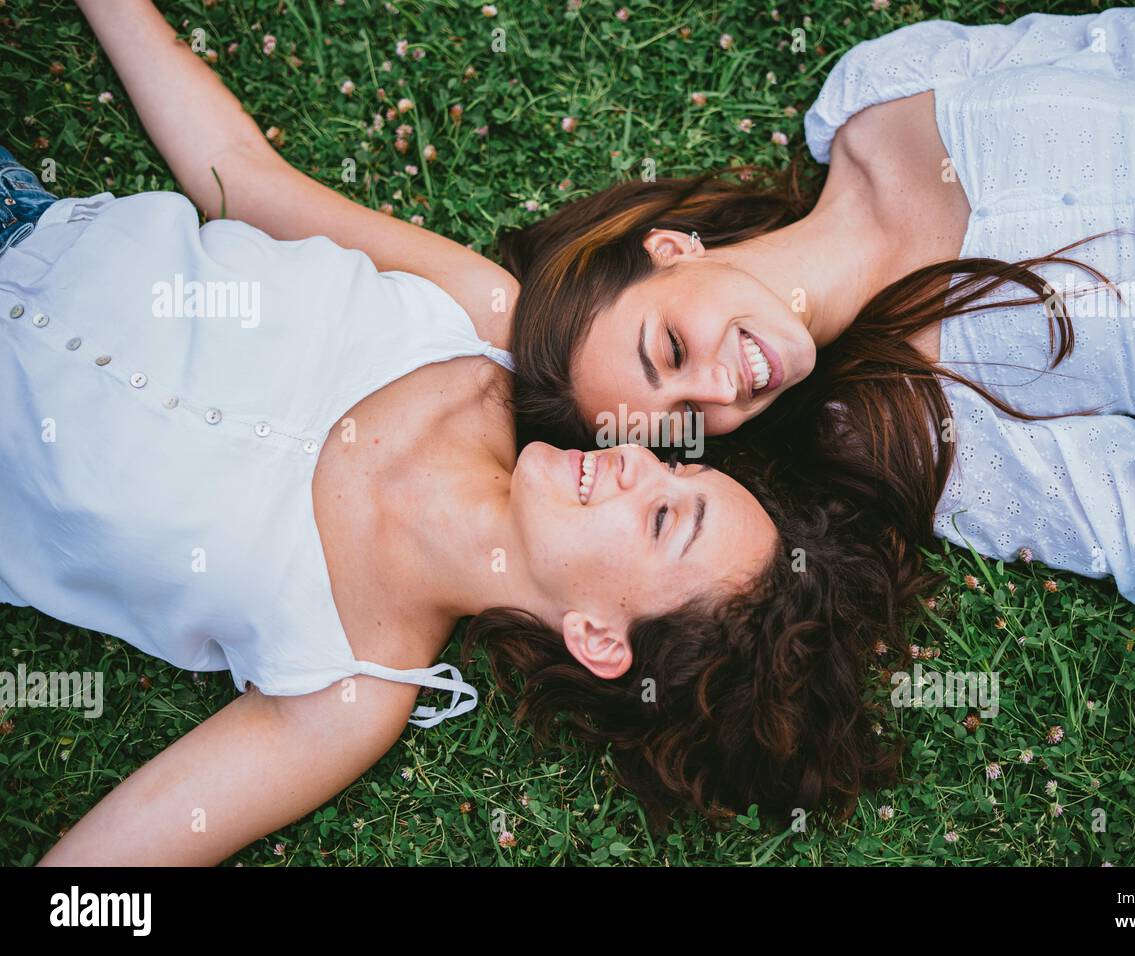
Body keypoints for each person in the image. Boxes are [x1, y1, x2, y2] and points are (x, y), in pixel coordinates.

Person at [12, 1, 897, 866]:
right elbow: (240, 176)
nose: (635, 460)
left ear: (597, 638)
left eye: (664, 518)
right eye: (678, 468)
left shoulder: (346, 693)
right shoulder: (474, 323)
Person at [502, 0, 1135, 615]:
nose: (719, 392)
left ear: (671, 248)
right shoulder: (907, 427)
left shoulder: (873, 93)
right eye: (688, 420)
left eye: (672, 349)